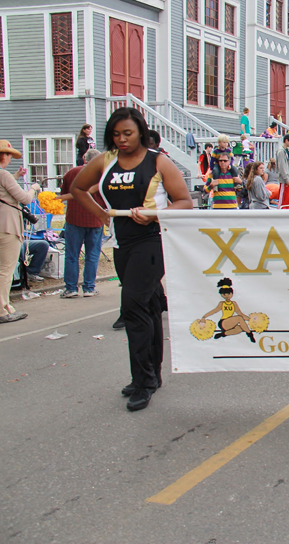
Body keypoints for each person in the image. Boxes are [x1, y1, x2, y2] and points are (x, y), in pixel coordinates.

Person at [72, 107, 192, 412]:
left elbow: (185, 202)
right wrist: (102, 216)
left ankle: (143, 381)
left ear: (140, 130)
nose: (122, 139)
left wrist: (154, 214)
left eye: (128, 133)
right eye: (116, 134)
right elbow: (77, 189)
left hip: (152, 240)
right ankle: (153, 373)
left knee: (132, 308)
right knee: (149, 306)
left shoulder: (158, 161)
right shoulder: (104, 160)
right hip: (121, 242)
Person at [0, 140, 41, 322]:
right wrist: (33, 189)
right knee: (6, 270)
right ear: (4, 156)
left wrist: (15, 175)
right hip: (7, 226)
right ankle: (2, 309)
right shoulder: (4, 175)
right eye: (9, 155)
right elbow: (24, 199)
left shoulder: (6, 176)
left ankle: (6, 305)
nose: (10, 158)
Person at [59, 148, 105, 297]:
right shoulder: (102, 175)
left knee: (72, 254)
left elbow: (64, 192)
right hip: (96, 218)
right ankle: (89, 288)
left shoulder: (72, 172)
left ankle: (71, 288)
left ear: (85, 159)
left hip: (74, 218)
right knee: (92, 254)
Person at [276, 134, 289, 209]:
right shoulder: (281, 151)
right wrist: (286, 178)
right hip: (285, 180)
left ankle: (286, 212)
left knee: (288, 198)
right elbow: (282, 166)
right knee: (283, 198)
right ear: (286, 140)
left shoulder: (288, 151)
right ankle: (280, 212)